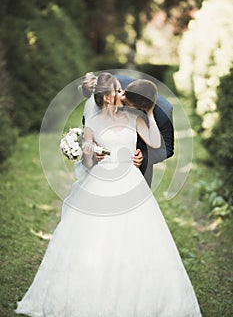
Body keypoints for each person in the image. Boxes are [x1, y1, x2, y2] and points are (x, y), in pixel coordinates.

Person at [15, 72, 202, 316]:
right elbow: (88, 161)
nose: (121, 96)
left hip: (132, 182)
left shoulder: (133, 117)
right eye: (117, 92)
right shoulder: (92, 124)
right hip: (100, 183)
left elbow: (156, 143)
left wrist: (147, 115)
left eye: (121, 91)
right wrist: (89, 153)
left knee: (139, 237)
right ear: (106, 98)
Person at [81, 72, 174, 187]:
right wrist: (93, 144)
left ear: (138, 108)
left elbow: (164, 147)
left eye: (122, 93)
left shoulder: (152, 115)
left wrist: (143, 156)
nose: (123, 95)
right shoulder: (111, 84)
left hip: (132, 172)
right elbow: (89, 124)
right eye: (120, 91)